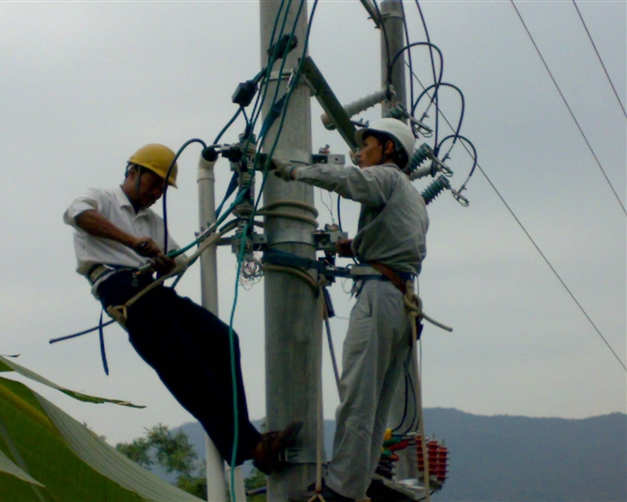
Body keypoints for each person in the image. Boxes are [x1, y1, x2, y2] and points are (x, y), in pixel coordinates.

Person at [64, 143, 301, 474]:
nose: (157, 193)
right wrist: (132, 242)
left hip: (151, 290)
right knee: (184, 364)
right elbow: (78, 215)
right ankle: (252, 446)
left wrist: (167, 262)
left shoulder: (153, 222)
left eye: (162, 189)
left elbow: (178, 258)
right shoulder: (100, 199)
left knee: (223, 340)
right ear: (133, 172)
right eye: (154, 184)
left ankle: (244, 441)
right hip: (121, 290)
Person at [273, 119, 429, 501]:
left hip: (379, 296)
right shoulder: (412, 196)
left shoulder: (386, 178)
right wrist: (355, 246)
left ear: (389, 149)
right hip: (403, 304)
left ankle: (340, 491)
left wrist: (295, 171)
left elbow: (348, 180)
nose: (361, 153)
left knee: (358, 397)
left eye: (368, 144)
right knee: (375, 407)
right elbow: (395, 240)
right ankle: (354, 488)